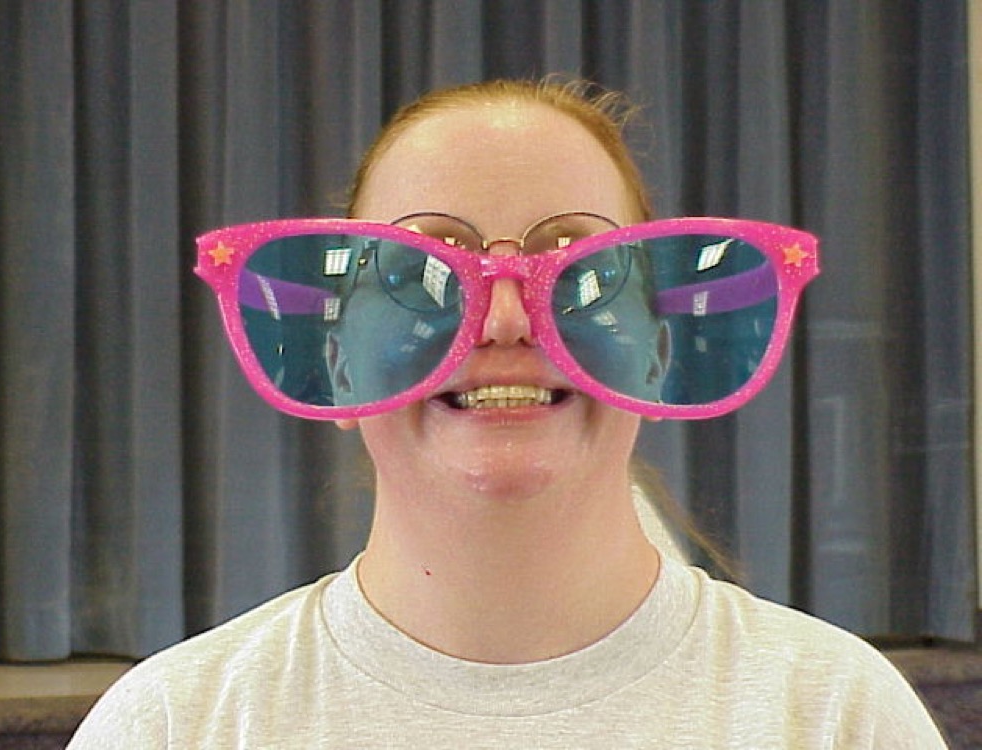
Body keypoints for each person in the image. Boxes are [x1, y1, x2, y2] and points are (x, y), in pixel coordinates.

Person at [68, 78, 947, 748]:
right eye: (420, 272)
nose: (503, 320)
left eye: (581, 269)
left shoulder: (834, 713)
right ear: (336, 364)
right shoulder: (176, 724)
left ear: (657, 354)